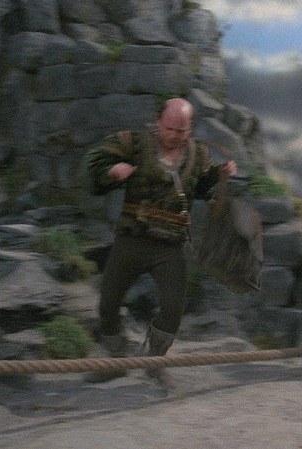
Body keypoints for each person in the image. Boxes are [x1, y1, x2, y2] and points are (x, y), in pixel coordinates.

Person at [86, 98, 237, 389]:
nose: (175, 136)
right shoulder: (133, 143)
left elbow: (202, 187)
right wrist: (112, 171)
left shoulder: (198, 154)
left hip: (170, 244)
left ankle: (154, 362)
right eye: (169, 129)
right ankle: (115, 360)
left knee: (173, 308)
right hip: (133, 238)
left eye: (182, 131)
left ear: (190, 128)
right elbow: (94, 162)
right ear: (158, 122)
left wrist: (220, 175)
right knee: (108, 303)